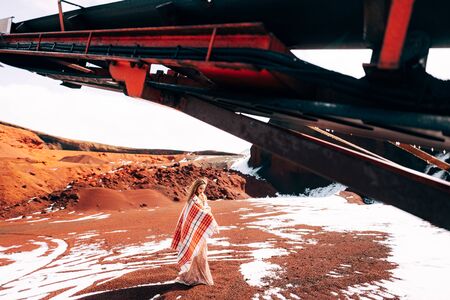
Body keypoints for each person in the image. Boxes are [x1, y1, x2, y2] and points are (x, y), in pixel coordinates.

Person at [171, 178, 219, 286]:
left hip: (200, 231)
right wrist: (207, 214)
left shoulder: (203, 197)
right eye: (200, 188)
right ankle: (191, 277)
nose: (202, 190)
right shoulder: (192, 200)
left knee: (202, 255)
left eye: (203, 189)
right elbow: (193, 215)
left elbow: (205, 209)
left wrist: (207, 212)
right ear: (196, 187)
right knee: (194, 254)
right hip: (193, 231)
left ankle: (202, 276)